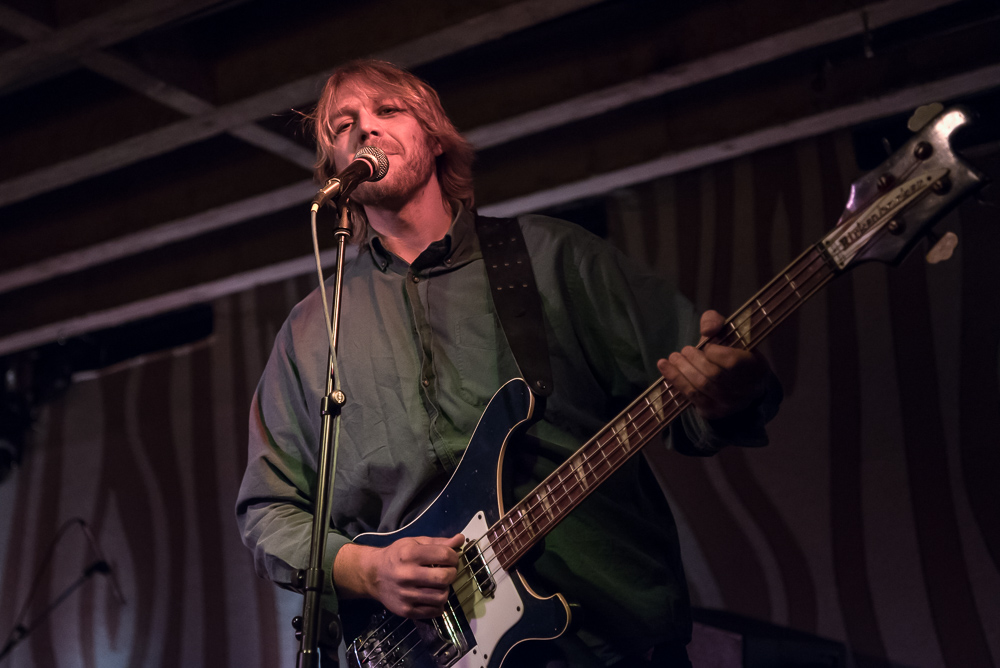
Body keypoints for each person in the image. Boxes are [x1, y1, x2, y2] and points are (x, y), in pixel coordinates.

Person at [236, 59, 780, 667]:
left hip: (609, 642)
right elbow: (268, 509)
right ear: (333, 166)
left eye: (388, 111)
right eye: (343, 125)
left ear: (434, 136)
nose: (365, 129)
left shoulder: (553, 257)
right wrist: (365, 567)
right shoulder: (312, 331)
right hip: (420, 649)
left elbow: (690, 395)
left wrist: (731, 392)